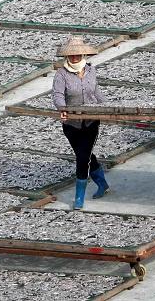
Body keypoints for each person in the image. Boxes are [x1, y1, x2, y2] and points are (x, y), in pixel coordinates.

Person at [51, 36, 109, 210]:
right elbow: (57, 95)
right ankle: (103, 183)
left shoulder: (91, 71)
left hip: (91, 121)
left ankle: (79, 198)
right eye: (71, 55)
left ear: (83, 54)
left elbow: (96, 92)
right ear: (67, 57)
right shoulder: (61, 74)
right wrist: (62, 108)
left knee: (82, 157)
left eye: (77, 55)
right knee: (85, 155)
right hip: (71, 124)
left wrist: (107, 108)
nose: (75, 58)